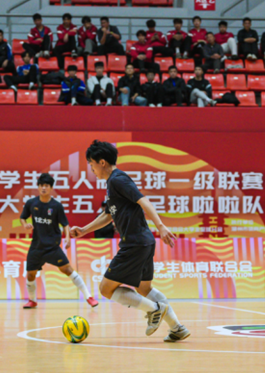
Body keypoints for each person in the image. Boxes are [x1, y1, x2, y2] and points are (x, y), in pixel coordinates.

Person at [70, 141, 190, 343]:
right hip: (144, 242)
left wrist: (160, 226)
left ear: (102, 162)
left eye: (91, 164)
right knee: (144, 289)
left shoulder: (118, 179)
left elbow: (143, 201)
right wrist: (84, 230)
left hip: (134, 243)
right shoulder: (112, 183)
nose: (91, 169)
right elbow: (108, 215)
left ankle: (154, 309)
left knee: (106, 289)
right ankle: (177, 328)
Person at [20, 173, 99, 309]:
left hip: (52, 247)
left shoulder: (56, 206)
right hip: (36, 247)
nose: (43, 188)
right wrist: (25, 224)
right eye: (41, 185)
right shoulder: (31, 203)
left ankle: (88, 296)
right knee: (30, 274)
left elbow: (65, 224)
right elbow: (23, 217)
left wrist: (67, 238)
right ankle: (32, 300)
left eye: (46, 186)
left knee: (67, 269)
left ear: (51, 188)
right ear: (38, 187)